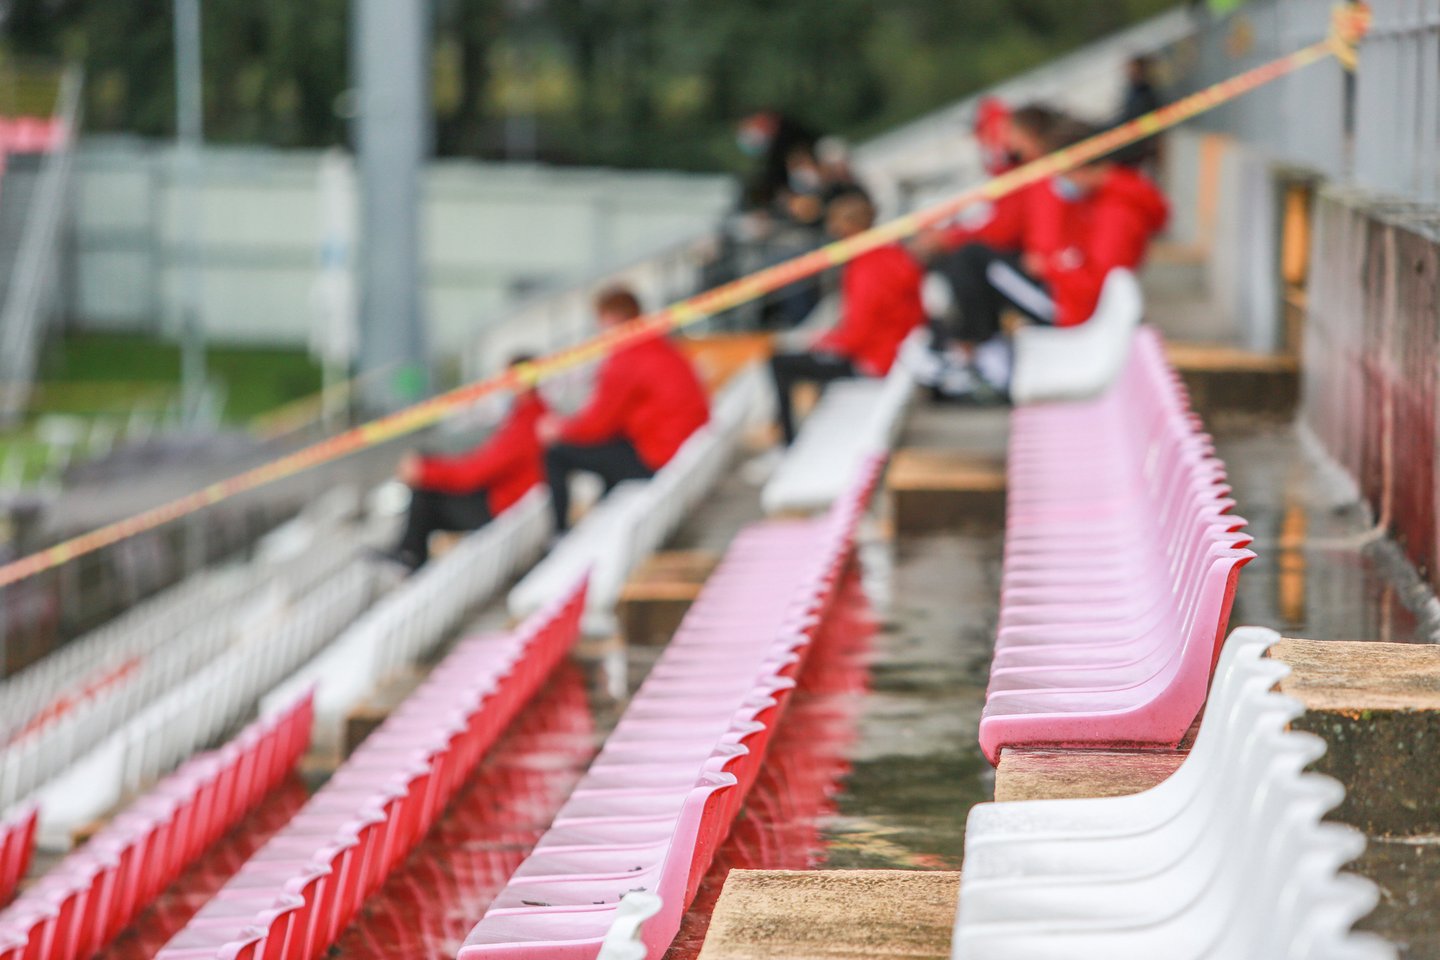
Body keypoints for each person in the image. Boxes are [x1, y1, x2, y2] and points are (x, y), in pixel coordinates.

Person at [923, 117, 1170, 397]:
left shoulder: (1117, 213)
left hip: (1070, 309)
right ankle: (981, 356)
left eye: (1063, 173)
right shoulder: (1100, 199)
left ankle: (984, 359)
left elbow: (1095, 284)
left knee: (974, 262)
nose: (1059, 182)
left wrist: (1051, 265)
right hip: (1068, 296)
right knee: (976, 263)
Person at [540, 287, 710, 532]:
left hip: (658, 456)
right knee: (610, 450)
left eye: (601, 320)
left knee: (555, 454)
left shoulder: (627, 356)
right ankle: (596, 520)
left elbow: (596, 425)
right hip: (678, 448)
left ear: (612, 318)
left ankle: (559, 534)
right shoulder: (657, 344)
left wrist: (558, 429)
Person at [769, 189, 925, 445]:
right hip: (897, 354)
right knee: (808, 362)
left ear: (850, 227)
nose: (832, 231)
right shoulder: (895, 254)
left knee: (779, 364)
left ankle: (787, 444)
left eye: (835, 224)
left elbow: (857, 338)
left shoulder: (865, 267)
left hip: (875, 362)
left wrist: (822, 341)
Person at [386, 355, 547, 569]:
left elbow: (475, 473)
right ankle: (408, 554)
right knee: (427, 484)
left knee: (426, 494)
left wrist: (425, 470)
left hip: (500, 511)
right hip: (506, 507)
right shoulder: (531, 416)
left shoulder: (525, 423)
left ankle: (408, 556)